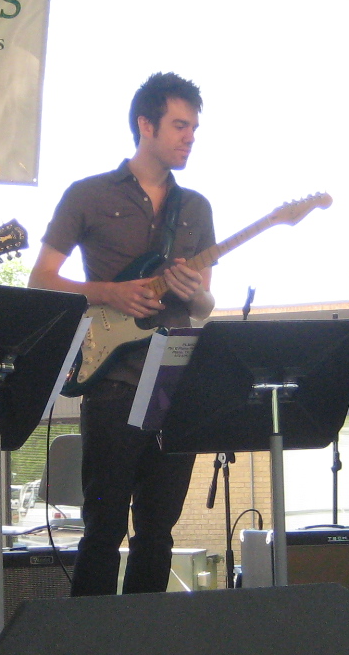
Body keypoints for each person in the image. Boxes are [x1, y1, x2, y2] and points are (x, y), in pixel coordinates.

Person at [28, 72, 215, 596]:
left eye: (195, 128)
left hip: (173, 383)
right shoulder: (87, 195)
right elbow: (41, 280)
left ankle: (145, 651)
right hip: (110, 380)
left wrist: (192, 288)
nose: (189, 137)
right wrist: (110, 292)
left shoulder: (196, 208)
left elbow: (205, 304)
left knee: (158, 531)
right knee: (104, 528)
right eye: (180, 125)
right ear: (145, 124)